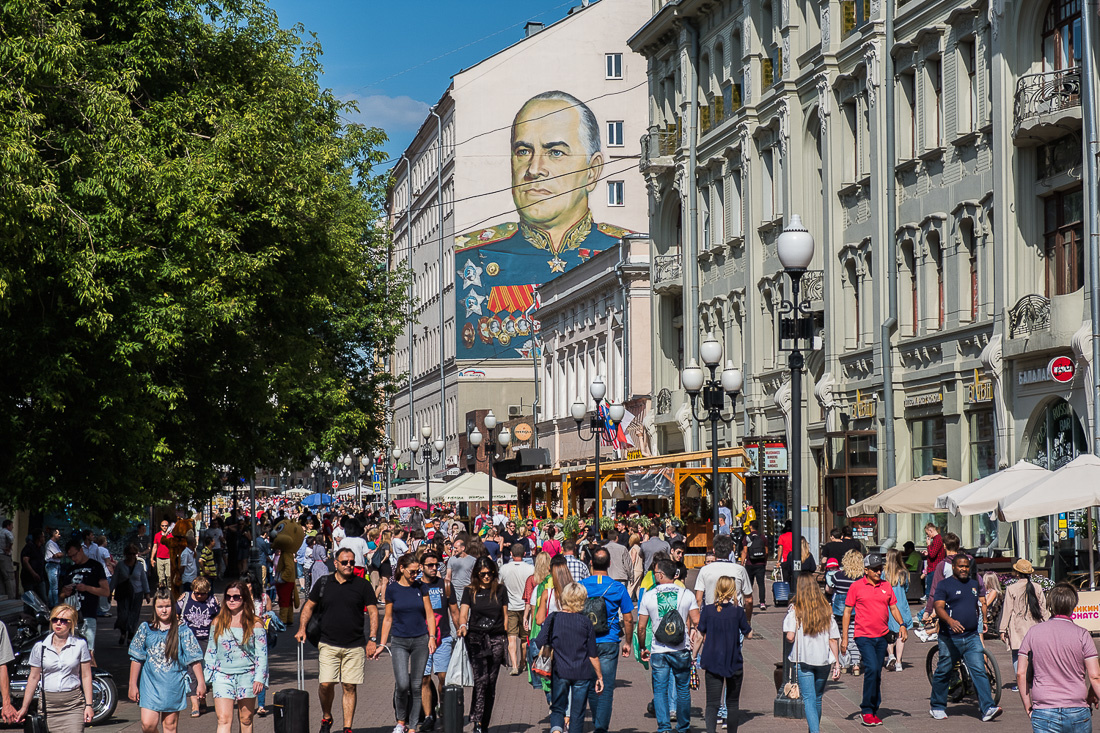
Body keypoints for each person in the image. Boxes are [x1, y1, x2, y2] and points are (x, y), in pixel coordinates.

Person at [454, 91, 631, 360]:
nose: (534, 168)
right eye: (523, 151)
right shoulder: (472, 256)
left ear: (592, 171)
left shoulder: (624, 249)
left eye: (555, 152)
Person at [295, 547, 379, 733]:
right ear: (335, 563)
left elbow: (373, 611)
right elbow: (308, 606)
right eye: (345, 562)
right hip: (327, 643)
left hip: (355, 644)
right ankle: (327, 717)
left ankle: (347, 727)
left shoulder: (362, 585)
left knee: (349, 686)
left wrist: (372, 639)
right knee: (326, 684)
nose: (349, 565)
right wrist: (302, 629)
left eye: (352, 562)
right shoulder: (324, 582)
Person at [1017, 583, 1100, 731]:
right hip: (1077, 708)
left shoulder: (1033, 632)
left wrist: (1028, 706)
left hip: (1043, 709)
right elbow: (1095, 677)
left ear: (1050, 605)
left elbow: (1021, 673)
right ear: (1073, 605)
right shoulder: (1082, 634)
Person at [928, 554, 1000, 722]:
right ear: (953, 567)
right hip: (949, 638)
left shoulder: (974, 584)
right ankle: (937, 706)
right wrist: (950, 621)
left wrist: (983, 620)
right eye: (960, 566)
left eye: (966, 566)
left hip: (971, 636)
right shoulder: (944, 585)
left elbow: (978, 604)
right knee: (944, 671)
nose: (964, 569)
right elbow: (938, 607)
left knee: (979, 671)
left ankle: (988, 708)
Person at [841, 552, 909, 726]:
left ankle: (874, 707)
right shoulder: (856, 587)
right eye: (875, 569)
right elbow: (847, 611)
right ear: (866, 570)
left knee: (877, 672)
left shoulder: (886, 586)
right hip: (863, 636)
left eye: (880, 569)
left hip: (882, 636)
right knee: (871, 668)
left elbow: (893, 608)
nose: (879, 572)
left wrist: (902, 624)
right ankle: (866, 709)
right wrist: (844, 638)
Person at [128, 587, 205, 732]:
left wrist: (201, 682)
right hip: (150, 684)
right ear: (154, 607)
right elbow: (136, 658)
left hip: (173, 683)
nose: (164, 610)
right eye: (160, 607)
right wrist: (132, 684)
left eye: (168, 606)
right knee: (148, 725)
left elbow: (194, 659)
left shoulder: (182, 630)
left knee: (170, 726)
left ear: (173, 606)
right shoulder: (146, 628)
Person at [532, 582, 604, 733]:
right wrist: (599, 677)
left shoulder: (553, 618)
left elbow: (539, 642)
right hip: (582, 673)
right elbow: (592, 654)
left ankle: (557, 730)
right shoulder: (586, 622)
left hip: (560, 671)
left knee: (558, 707)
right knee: (577, 713)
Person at [637, 560, 700, 733]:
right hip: (681, 649)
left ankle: (664, 727)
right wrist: (693, 631)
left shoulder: (649, 595)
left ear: (661, 575)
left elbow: (641, 627)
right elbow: (697, 621)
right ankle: (683, 727)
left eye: (655, 572)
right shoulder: (686, 594)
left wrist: (642, 647)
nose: (654, 574)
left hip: (659, 649)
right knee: (682, 689)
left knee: (660, 690)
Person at [376, 554, 437, 733]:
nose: (415, 575)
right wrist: (381, 644)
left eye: (418, 571)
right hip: (399, 640)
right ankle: (400, 722)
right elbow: (387, 618)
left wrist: (432, 637)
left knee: (417, 684)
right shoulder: (392, 590)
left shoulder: (421, 587)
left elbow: (430, 614)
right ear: (402, 568)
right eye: (412, 571)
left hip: (420, 639)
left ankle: (412, 726)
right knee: (402, 684)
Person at [15, 603, 93, 732]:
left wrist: (89, 705)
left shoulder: (80, 645)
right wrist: (24, 707)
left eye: (63, 621)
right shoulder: (40, 647)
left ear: (72, 624)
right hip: (48, 706)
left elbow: (86, 675)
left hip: (73, 704)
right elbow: (33, 678)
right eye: (55, 619)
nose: (58, 623)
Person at [580, 547, 634, 733]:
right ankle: (601, 726)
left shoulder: (581, 586)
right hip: (609, 640)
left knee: (589, 682)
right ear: (610, 564)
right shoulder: (617, 587)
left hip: (586, 642)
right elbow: (628, 617)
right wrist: (628, 642)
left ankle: (595, 720)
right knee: (606, 685)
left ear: (591, 563)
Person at [204, 582, 267, 733]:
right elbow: (211, 651)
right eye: (228, 597)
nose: (231, 600)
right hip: (222, 676)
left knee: (246, 719)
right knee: (224, 719)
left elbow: (262, 655)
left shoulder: (256, 624)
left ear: (244, 599)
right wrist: (206, 679)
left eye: (236, 597)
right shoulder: (217, 622)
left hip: (247, 675)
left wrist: (260, 678)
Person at [456, 557, 510, 733]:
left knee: (491, 682)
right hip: (476, 639)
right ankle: (477, 721)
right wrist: (462, 625)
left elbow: (505, 616)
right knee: (481, 680)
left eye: (489, 573)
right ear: (476, 575)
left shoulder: (500, 590)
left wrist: (507, 637)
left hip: (496, 639)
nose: (486, 577)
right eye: (482, 574)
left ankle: (484, 722)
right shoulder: (469, 591)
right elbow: (463, 613)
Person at [783, 574, 841, 733]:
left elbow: (790, 636)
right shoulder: (826, 609)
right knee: (817, 698)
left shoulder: (796, 609)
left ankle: (814, 731)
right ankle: (813, 729)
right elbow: (833, 639)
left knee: (808, 699)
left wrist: (791, 639)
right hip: (824, 660)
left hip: (804, 660)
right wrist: (837, 663)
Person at [695, 576, 751, 733]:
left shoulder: (708, 610)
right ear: (733, 590)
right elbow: (749, 633)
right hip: (733, 661)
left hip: (712, 660)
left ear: (717, 589)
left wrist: (694, 656)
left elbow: (699, 636)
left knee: (712, 703)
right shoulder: (738, 612)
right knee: (732, 702)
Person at [419, 550, 458, 732]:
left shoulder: (445, 585)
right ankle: (428, 717)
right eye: (430, 565)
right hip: (422, 639)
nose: (435, 568)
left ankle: (442, 710)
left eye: (437, 565)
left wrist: (461, 632)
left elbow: (454, 611)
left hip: (444, 637)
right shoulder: (417, 586)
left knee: (443, 677)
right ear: (422, 567)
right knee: (424, 679)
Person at [999, 558, 1049, 690]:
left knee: (1017, 655)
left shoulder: (1011, 588)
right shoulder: (1037, 587)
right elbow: (1043, 609)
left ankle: (1019, 683)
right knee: (1035, 655)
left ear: (1016, 573)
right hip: (1035, 625)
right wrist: (1048, 624)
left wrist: (1002, 629)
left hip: (1017, 626)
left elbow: (1007, 610)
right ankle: (1034, 680)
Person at [177, 576, 219, 717]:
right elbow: (175, 613)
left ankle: (202, 698)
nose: (200, 596)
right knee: (191, 671)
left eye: (203, 593)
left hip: (207, 639)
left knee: (206, 670)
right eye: (197, 593)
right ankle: (195, 703)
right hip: (189, 640)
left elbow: (219, 617)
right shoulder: (186, 598)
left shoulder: (212, 600)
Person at [60, 540, 109, 661]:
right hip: (71, 616)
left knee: (88, 653)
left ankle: (90, 677)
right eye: (70, 556)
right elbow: (60, 595)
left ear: (81, 550)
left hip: (88, 615)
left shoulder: (95, 566)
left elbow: (105, 591)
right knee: (69, 654)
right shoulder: (70, 569)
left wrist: (87, 588)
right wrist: (64, 593)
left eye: (74, 555)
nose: (73, 559)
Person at [694, 535, 753, 622]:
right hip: (734, 617)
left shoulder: (705, 570)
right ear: (731, 551)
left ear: (714, 550)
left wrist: (697, 623)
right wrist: (747, 620)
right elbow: (749, 600)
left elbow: (698, 599)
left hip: (712, 616)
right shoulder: (740, 570)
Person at [498, 543, 534, 675]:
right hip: (526, 607)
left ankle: (514, 665)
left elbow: (499, 584)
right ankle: (523, 662)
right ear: (524, 554)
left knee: (511, 637)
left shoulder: (504, 569)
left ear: (511, 554)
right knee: (525, 639)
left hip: (510, 606)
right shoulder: (530, 569)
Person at [827, 549, 863, 675]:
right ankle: (856, 664)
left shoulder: (838, 576)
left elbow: (830, 590)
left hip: (839, 610)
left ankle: (842, 663)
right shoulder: (862, 578)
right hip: (857, 610)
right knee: (853, 636)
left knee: (841, 636)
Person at [113, 544, 150, 648]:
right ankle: (123, 632)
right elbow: (115, 579)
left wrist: (147, 593)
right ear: (125, 554)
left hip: (137, 592)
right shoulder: (120, 565)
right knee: (123, 615)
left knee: (134, 615)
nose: (132, 556)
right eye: (130, 554)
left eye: (134, 554)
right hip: (123, 592)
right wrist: (109, 591)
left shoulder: (139, 566)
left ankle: (130, 635)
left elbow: (144, 579)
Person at [882, 549, 912, 673]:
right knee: (901, 633)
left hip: (888, 604)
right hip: (901, 604)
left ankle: (891, 655)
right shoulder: (903, 573)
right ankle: (899, 662)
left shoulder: (884, 573)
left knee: (888, 632)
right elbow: (906, 588)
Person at [739, 520, 769, 610]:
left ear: (750, 527)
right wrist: (764, 561)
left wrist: (742, 563)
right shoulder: (763, 537)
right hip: (760, 563)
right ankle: (762, 602)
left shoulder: (747, 538)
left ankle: (748, 601)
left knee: (749, 584)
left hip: (750, 563)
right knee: (761, 584)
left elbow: (745, 551)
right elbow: (766, 551)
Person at [21, 530, 47, 602]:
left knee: (43, 598)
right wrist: (33, 573)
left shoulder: (41, 548)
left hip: (40, 577)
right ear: (39, 538)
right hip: (29, 578)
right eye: (43, 537)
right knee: (30, 600)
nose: (44, 538)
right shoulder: (29, 547)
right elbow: (25, 561)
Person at [152, 518, 173, 589]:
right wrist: (152, 558)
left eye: (166, 526)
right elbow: (155, 547)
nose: (164, 527)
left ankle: (169, 590)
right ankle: (162, 590)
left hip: (168, 558)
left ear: (168, 526)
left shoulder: (171, 536)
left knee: (169, 576)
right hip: (159, 558)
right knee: (161, 577)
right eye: (163, 526)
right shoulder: (157, 535)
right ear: (160, 526)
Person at [45, 527, 64, 606]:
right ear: (54, 534)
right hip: (52, 565)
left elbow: (59, 554)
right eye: (58, 534)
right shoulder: (50, 543)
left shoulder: (55, 544)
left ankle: (52, 603)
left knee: (53, 587)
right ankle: (54, 604)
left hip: (56, 565)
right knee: (54, 587)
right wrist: (59, 555)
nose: (59, 535)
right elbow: (58, 554)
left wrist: (59, 555)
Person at [0, 519, 15, 599]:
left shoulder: (0, 531)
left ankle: (3, 596)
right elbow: (11, 539)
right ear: (8, 526)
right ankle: (10, 597)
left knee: (1, 578)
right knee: (9, 578)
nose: (12, 527)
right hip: (5, 556)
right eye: (11, 526)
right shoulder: (7, 532)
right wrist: (9, 548)